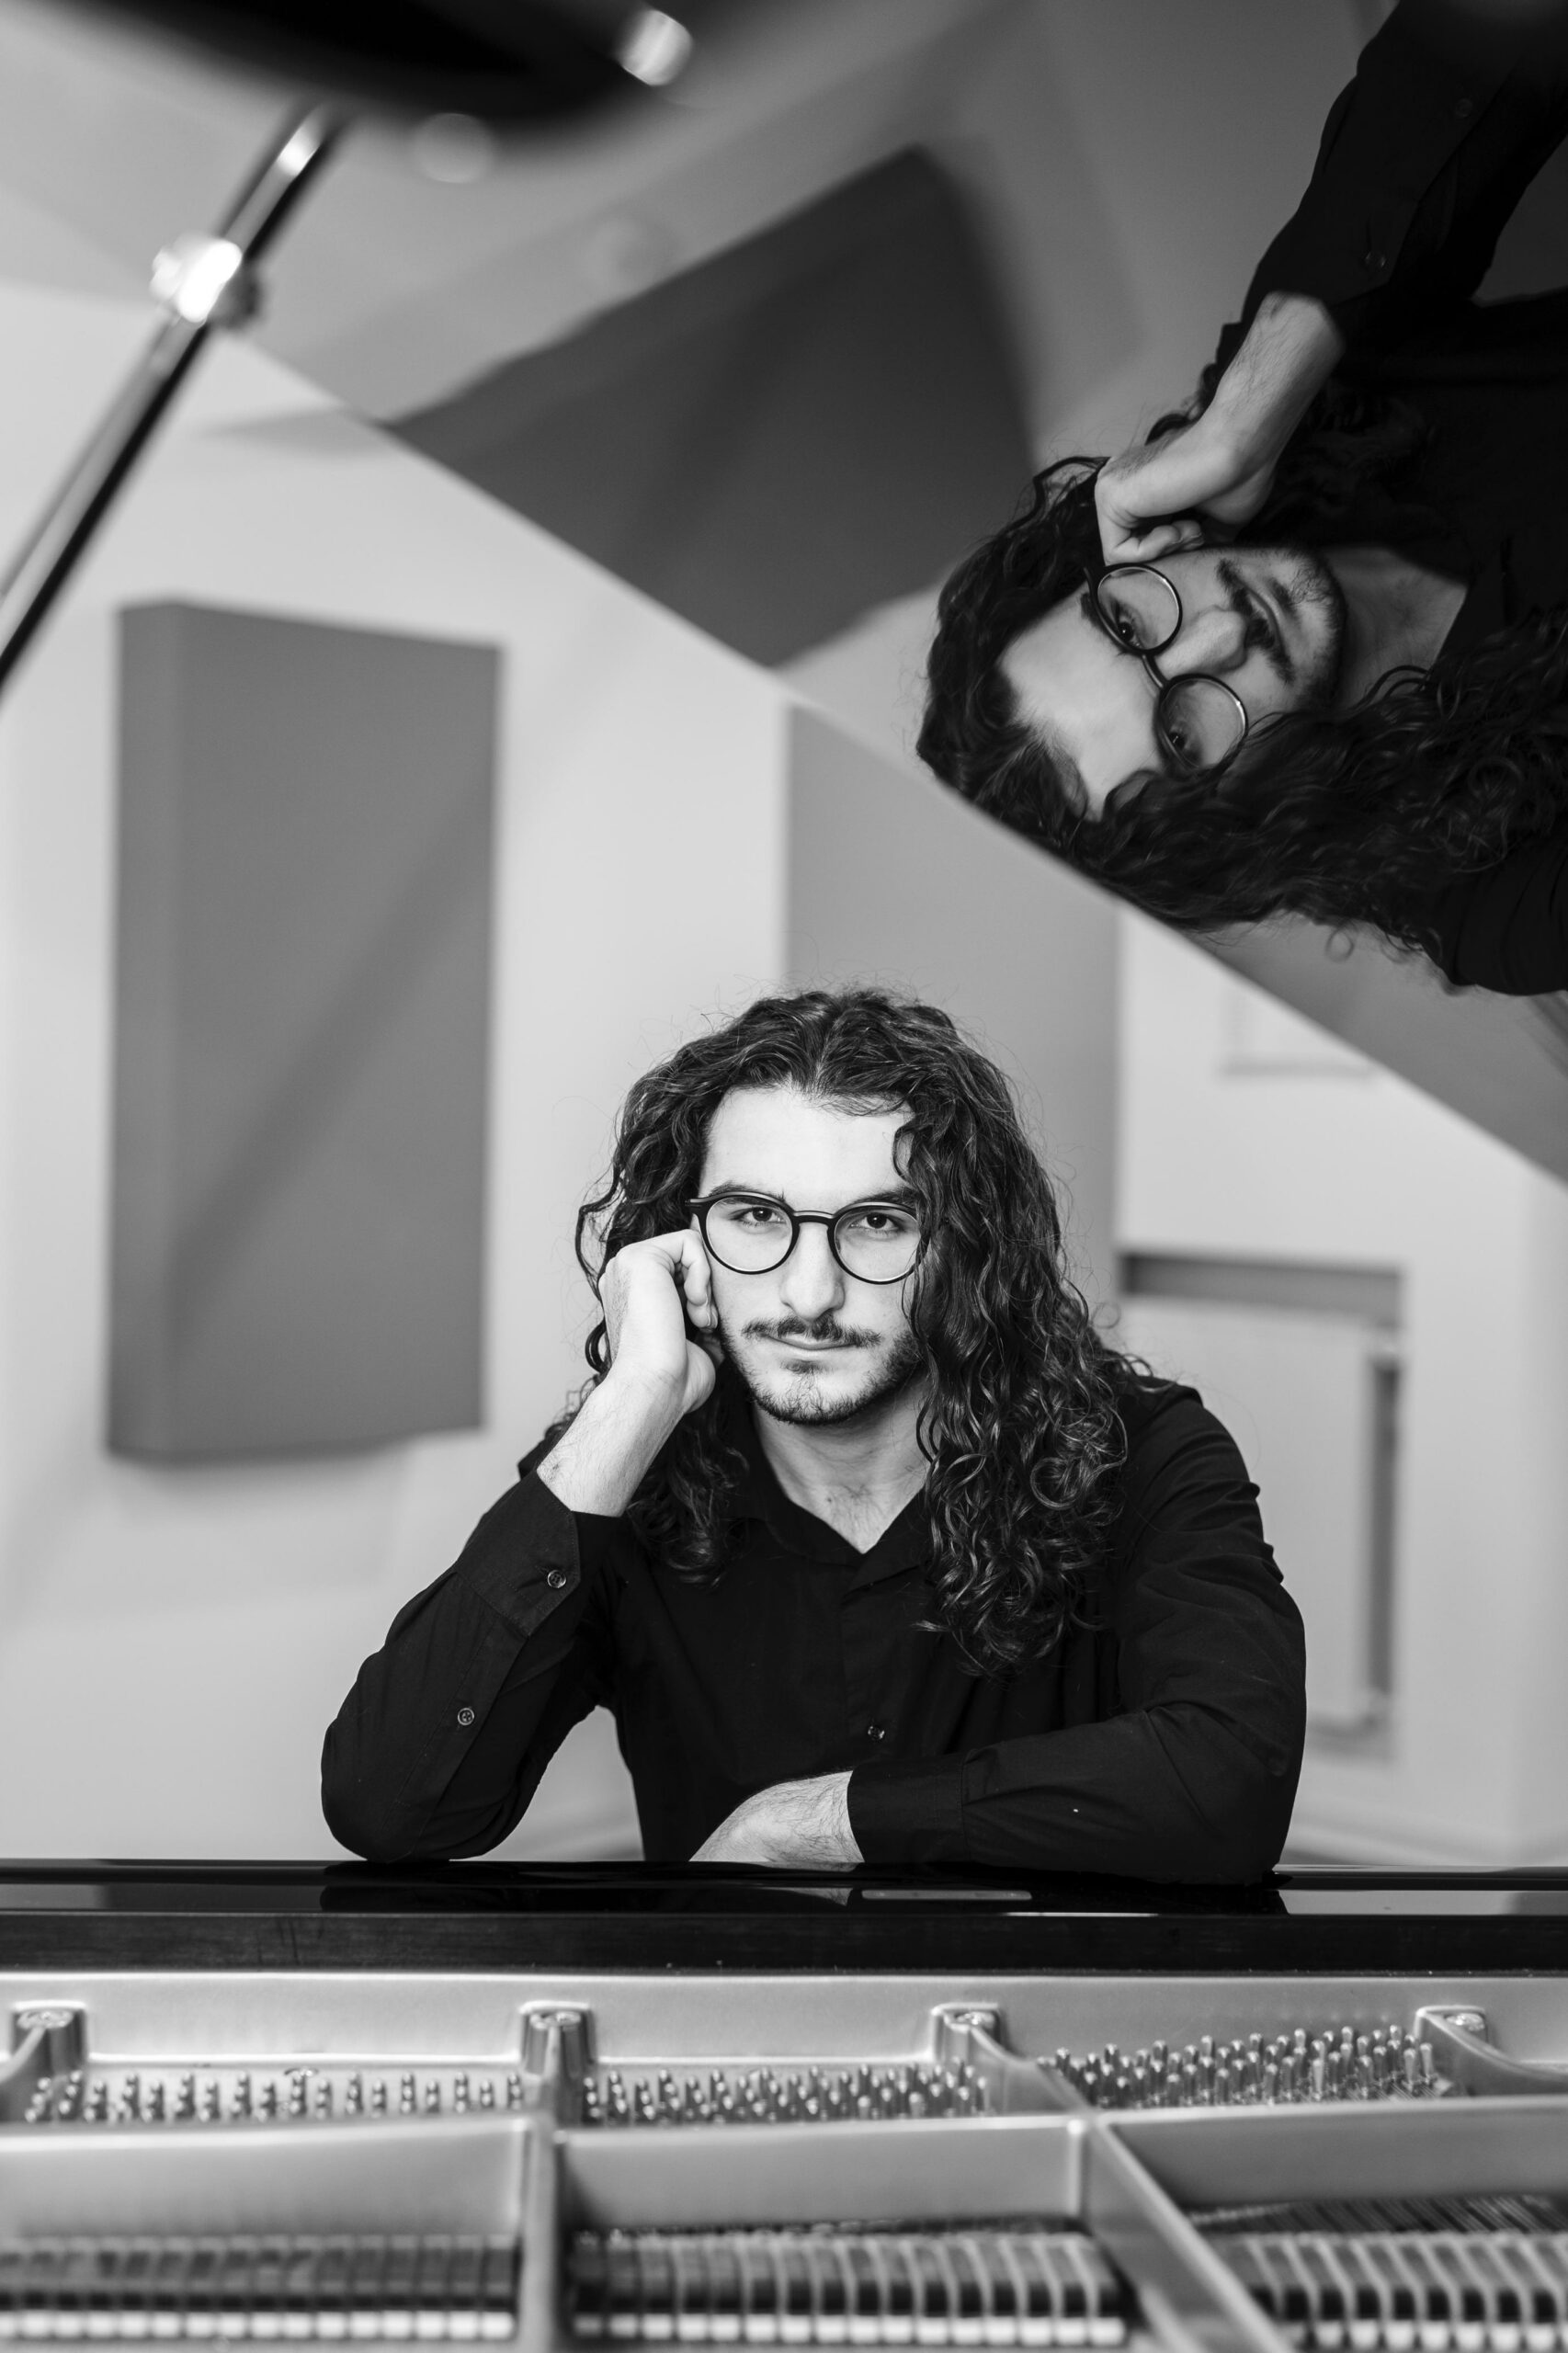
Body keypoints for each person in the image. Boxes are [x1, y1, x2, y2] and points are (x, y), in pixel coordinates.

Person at [322, 988, 1304, 1881]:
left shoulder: (1140, 1452)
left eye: (876, 1223)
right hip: (740, 2012)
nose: (808, 1293)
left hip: (1051, 2003)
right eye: (754, 1215)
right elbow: (391, 1807)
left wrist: (812, 1822)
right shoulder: (627, 1471)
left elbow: (1227, 1778)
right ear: (683, 1237)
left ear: (963, 1249)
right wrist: (631, 1397)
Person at [919, 0, 1568, 995]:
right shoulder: (1499, 905)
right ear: (1228, 821)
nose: (1219, 634)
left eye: (1128, 623)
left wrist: (1245, 412)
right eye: (1181, 737)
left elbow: (1480, 34)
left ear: (1114, 557)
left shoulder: (1283, 427)